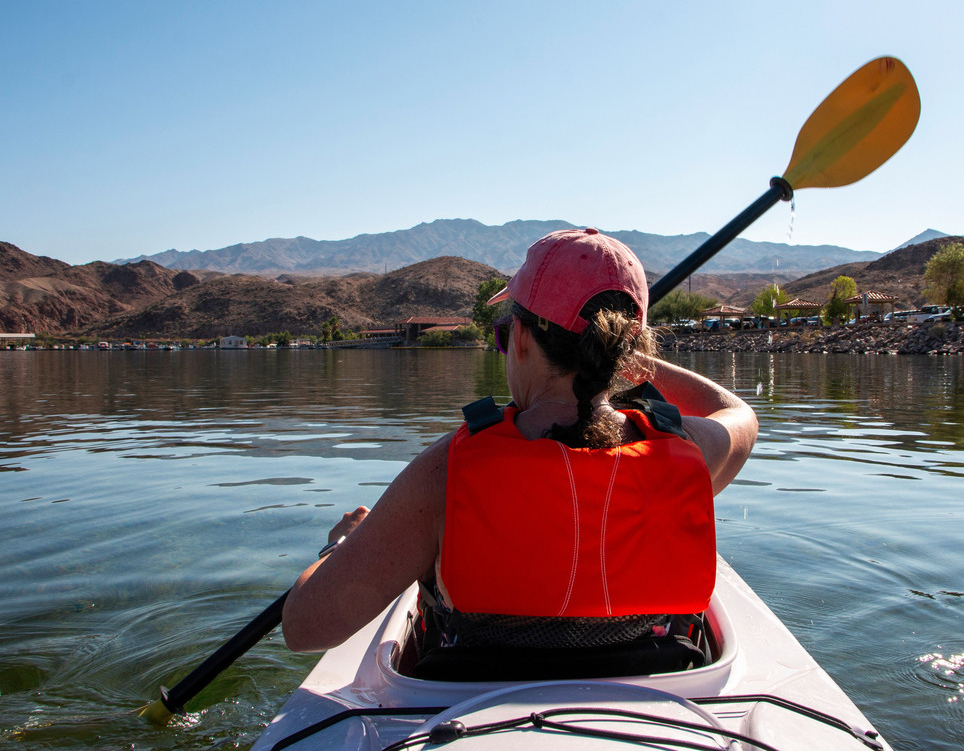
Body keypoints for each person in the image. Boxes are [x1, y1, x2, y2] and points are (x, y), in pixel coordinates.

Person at [282, 228, 758, 676]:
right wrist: (626, 358)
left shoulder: (447, 471)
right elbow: (738, 413)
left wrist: (342, 544)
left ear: (523, 339)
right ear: (624, 349)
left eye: (505, 332)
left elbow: (305, 628)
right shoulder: (689, 451)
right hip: (661, 696)